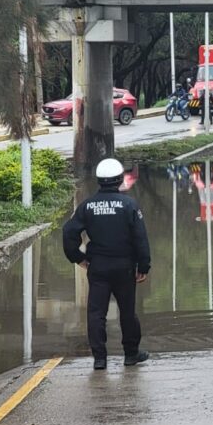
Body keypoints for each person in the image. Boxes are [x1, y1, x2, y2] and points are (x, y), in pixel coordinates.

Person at [62, 158, 152, 370]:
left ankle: (100, 359)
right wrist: (144, 266)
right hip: (124, 267)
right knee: (127, 312)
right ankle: (131, 354)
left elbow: (68, 232)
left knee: (96, 314)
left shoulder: (87, 206)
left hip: (98, 267)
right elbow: (140, 238)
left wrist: (78, 257)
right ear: (120, 179)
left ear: (99, 181)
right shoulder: (129, 205)